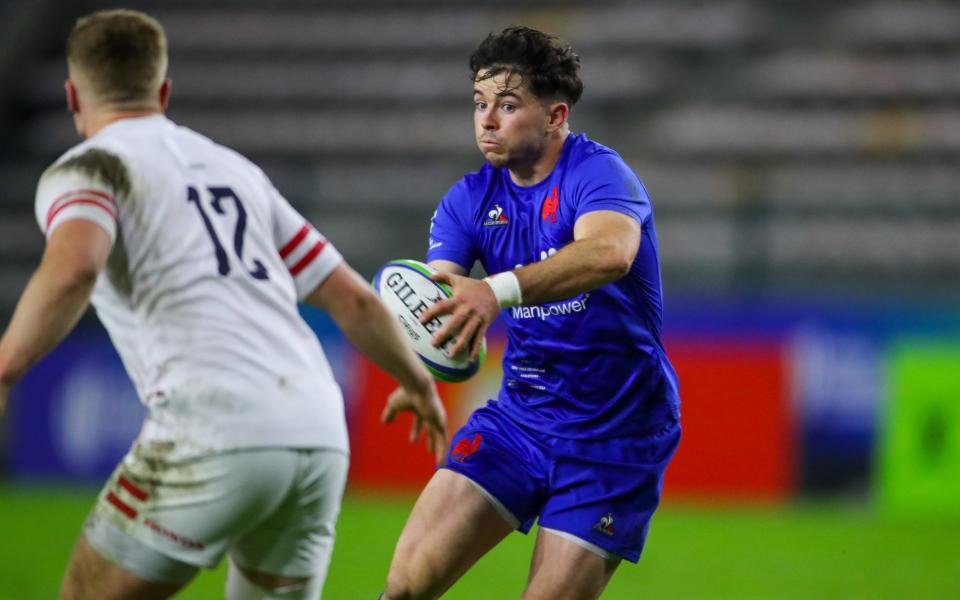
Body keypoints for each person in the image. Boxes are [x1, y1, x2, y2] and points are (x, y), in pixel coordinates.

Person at [0, 9, 447, 600]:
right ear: (162, 90)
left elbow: (74, 266)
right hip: (317, 431)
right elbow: (354, 299)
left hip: (212, 425)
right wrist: (417, 382)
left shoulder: (88, 168)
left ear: (71, 97)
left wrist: (5, 367)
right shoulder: (236, 172)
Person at [382, 26, 682, 600]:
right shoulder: (468, 200)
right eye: (479, 103)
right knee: (403, 588)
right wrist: (415, 364)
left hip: (615, 435)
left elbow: (610, 253)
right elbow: (439, 302)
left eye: (508, 104)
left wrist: (495, 290)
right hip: (518, 420)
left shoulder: (600, 174)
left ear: (555, 115)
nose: (487, 119)